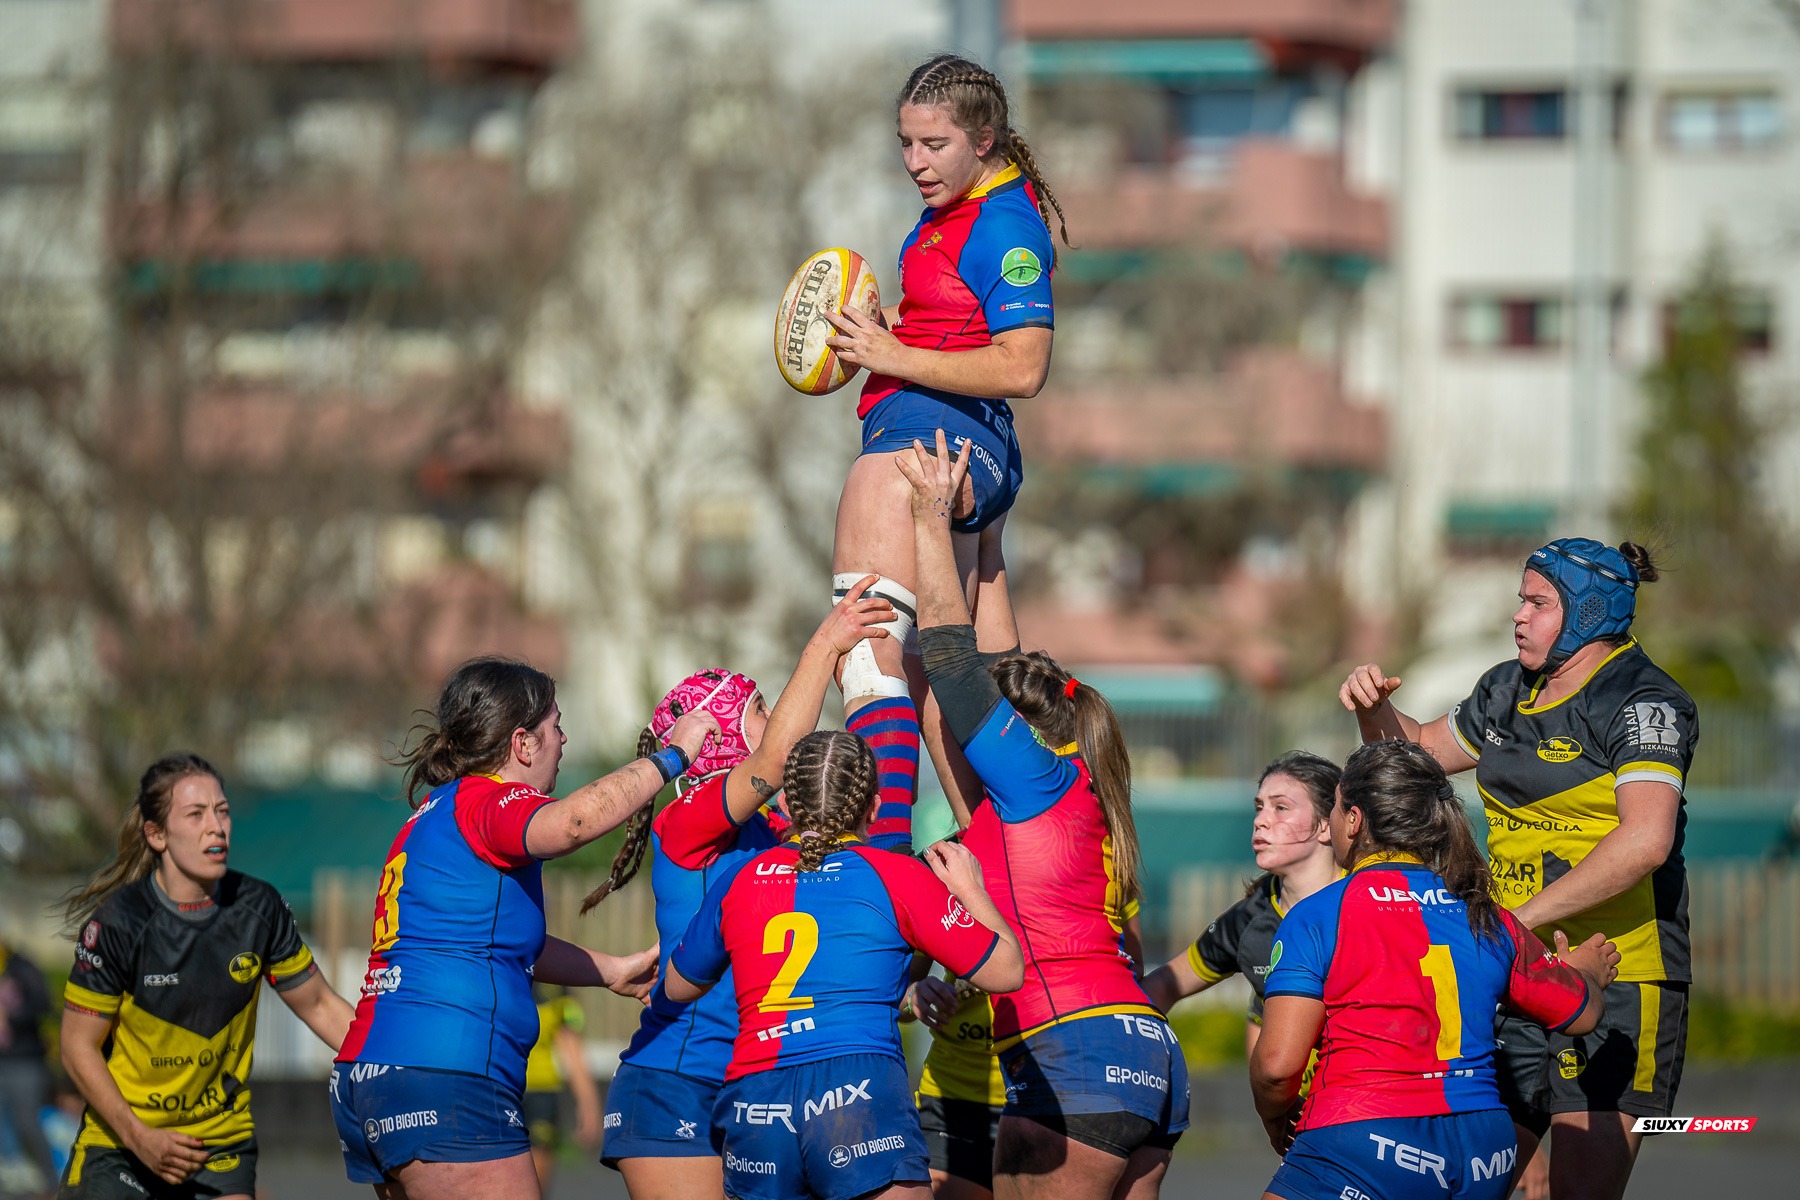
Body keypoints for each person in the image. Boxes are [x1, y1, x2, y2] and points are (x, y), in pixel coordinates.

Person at [1338, 539, 1697, 1200]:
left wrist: (1513, 924)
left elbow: (1646, 840)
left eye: (1538, 602)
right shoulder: (1505, 688)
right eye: (1519, 600)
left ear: (1589, 614)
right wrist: (1372, 709)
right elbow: (1414, 751)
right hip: (1518, 971)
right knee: (1469, 1184)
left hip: (1622, 979)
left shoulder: (1644, 700)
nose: (1518, 617)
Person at [901, 432, 1186, 1200]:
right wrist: (987, 535)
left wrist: (931, 520)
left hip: (1076, 1050)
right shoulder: (1068, 785)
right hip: (1146, 1056)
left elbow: (956, 667)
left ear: (1013, 738)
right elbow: (978, 680)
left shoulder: (1032, 781)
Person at [331, 657, 709, 1200]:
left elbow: (503, 945)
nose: (564, 739)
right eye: (555, 725)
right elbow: (574, 823)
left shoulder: (435, 814)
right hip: (444, 1073)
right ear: (522, 744)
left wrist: (610, 970)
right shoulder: (488, 800)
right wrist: (675, 756)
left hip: (373, 1075)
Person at [822, 53, 1068, 827]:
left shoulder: (1002, 225)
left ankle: (885, 855)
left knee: (865, 650)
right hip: (963, 446)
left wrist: (890, 356)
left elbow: (1025, 366)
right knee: (948, 681)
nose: (915, 162)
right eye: (906, 142)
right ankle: (1000, 845)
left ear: (985, 138)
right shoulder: (960, 208)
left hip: (929, 442)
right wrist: (886, 330)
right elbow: (955, 325)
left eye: (934, 144)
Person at [592, 584, 898, 1200]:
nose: (772, 715)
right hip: (676, 1081)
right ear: (718, 731)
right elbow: (779, 754)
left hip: (759, 1086)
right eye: (758, 706)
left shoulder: (771, 833)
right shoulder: (684, 817)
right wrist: (826, 642)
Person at [1250, 739, 1619, 1200]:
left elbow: (1276, 1066)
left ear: (1354, 820)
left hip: (1365, 1135)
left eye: (1338, 809)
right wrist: (1584, 972)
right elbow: (1581, 1014)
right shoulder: (1485, 915)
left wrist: (1275, 1119)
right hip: (1486, 1151)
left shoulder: (1320, 913)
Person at [663, 730, 1025, 1200]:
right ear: (873, 808)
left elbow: (676, 986)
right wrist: (971, 889)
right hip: (856, 1093)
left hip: (757, 1100)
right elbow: (1007, 970)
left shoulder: (740, 878)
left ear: (788, 807)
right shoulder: (897, 876)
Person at [57, 753, 356, 1200]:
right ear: (156, 834)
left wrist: (400, 1061)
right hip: (122, 1141)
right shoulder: (118, 924)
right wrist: (140, 1137)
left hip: (218, 1142)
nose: (216, 826)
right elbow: (76, 1046)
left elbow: (319, 1005)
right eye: (195, 814)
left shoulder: (260, 908)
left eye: (222, 811)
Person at [902, 891, 1143, 1200]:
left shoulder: (1101, 870)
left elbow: (1133, 982)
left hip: (1055, 1099)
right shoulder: (948, 872)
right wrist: (913, 997)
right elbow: (893, 992)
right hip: (955, 1099)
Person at [1143, 753, 1342, 1058]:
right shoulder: (1248, 921)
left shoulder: (1369, 900)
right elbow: (1164, 986)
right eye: (1259, 808)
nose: (1260, 820)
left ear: (1327, 826)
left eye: (1281, 808)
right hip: (1301, 1105)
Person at [521, 986, 601, 1188]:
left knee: (534, 1185)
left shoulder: (556, 989)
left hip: (542, 1095)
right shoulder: (493, 972)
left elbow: (572, 1048)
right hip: (501, 1092)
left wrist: (588, 1105)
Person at [1, 937, 57, 1196]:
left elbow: (43, 1005)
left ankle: (51, 1183)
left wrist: (11, 1016)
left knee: (27, 1123)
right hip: (4, 1059)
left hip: (25, 1059)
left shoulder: (22, 968)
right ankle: (14, 1184)